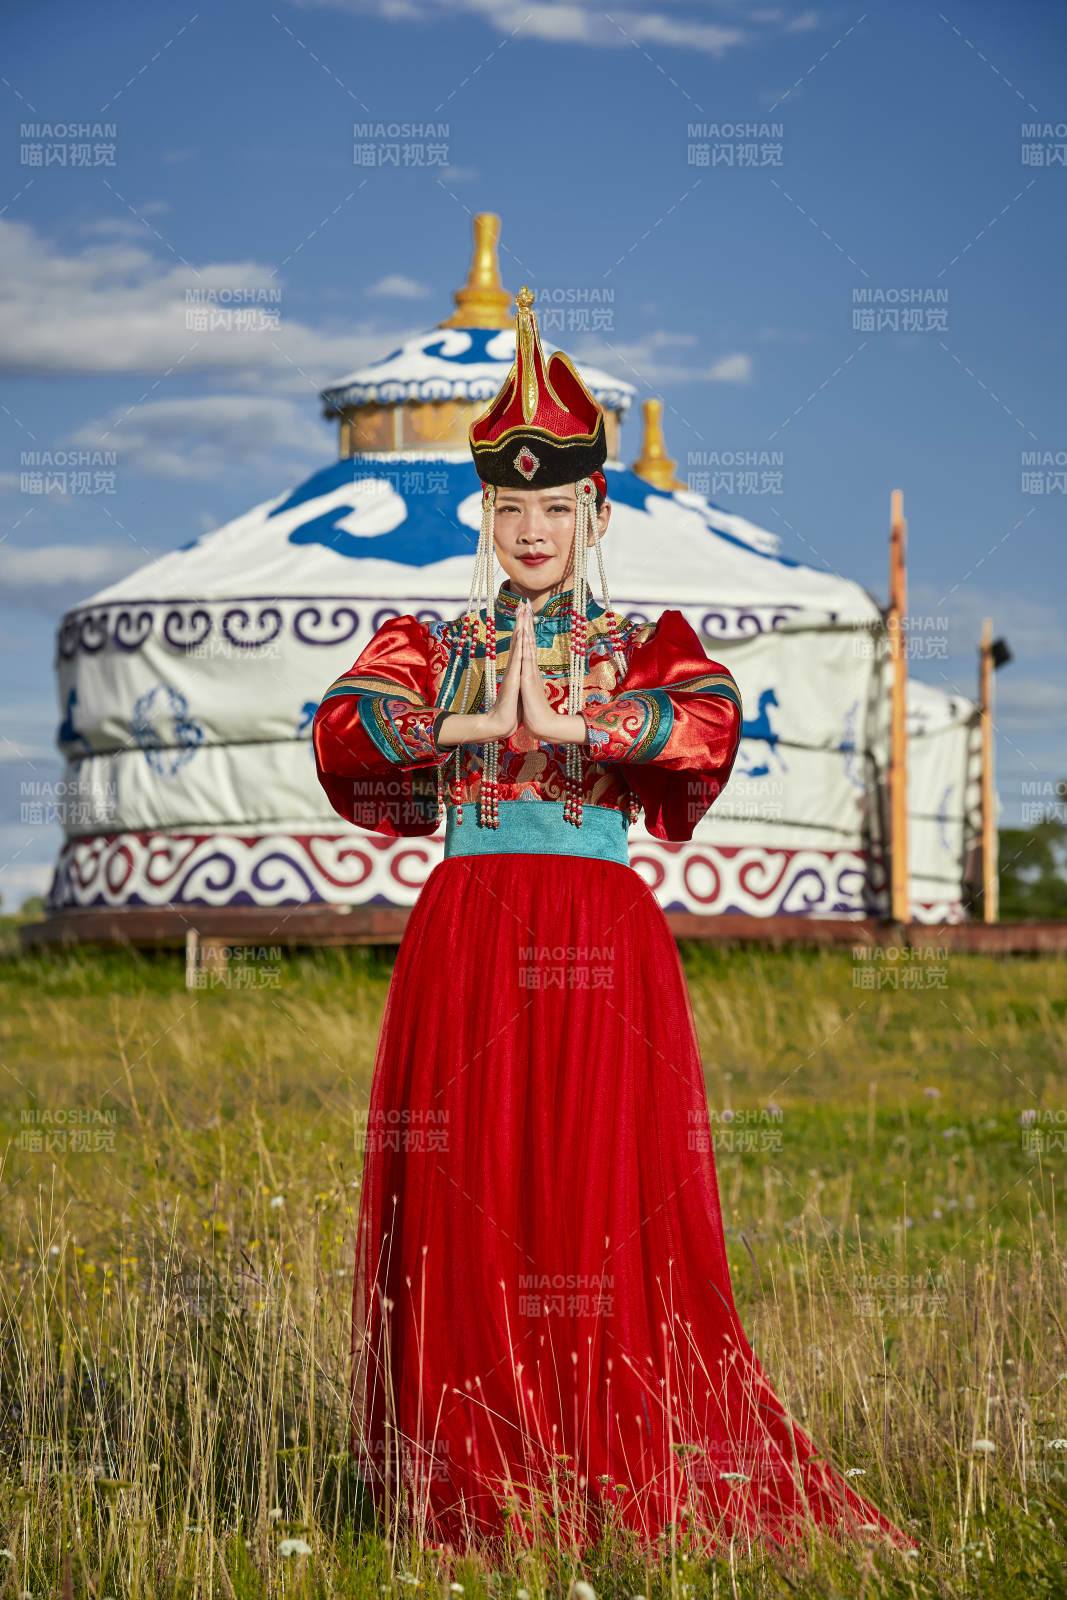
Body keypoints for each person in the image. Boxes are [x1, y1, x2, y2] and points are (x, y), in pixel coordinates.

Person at [313, 288, 912, 1557]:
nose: (530, 529)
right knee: (470, 1189)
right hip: (468, 933)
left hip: (597, 942)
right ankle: (473, 1471)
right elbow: (347, 730)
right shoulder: (433, 642)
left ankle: (603, 1456)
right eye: (507, 508)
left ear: (595, 511)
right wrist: (471, 724)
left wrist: (582, 722)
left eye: (554, 508)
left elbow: (705, 725)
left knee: (598, 1196)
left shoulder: (645, 643)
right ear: (485, 514)